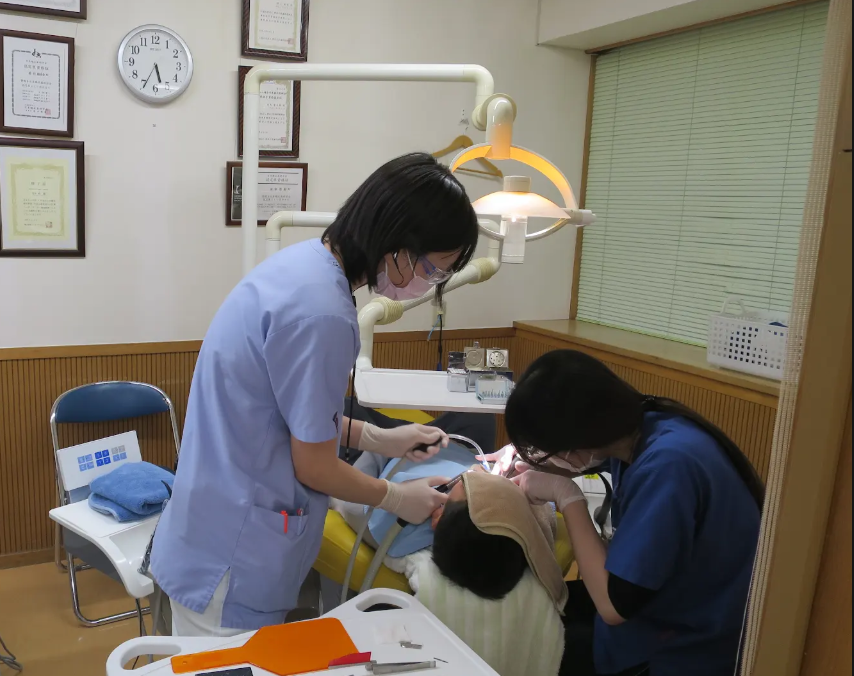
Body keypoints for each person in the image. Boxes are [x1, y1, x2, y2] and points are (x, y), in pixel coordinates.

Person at [150, 153, 480, 636]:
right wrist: (395, 497)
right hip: (233, 554)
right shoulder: (323, 315)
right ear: (400, 247)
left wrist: (380, 438)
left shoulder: (303, 266)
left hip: (209, 523)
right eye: (433, 271)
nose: (428, 285)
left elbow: (279, 414)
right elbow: (315, 466)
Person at [505, 350, 763, 676]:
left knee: (525, 641)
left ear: (576, 439)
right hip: (666, 607)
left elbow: (614, 607)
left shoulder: (668, 466)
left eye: (546, 447)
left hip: (684, 646)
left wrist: (566, 496)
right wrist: (536, 462)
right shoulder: (648, 426)